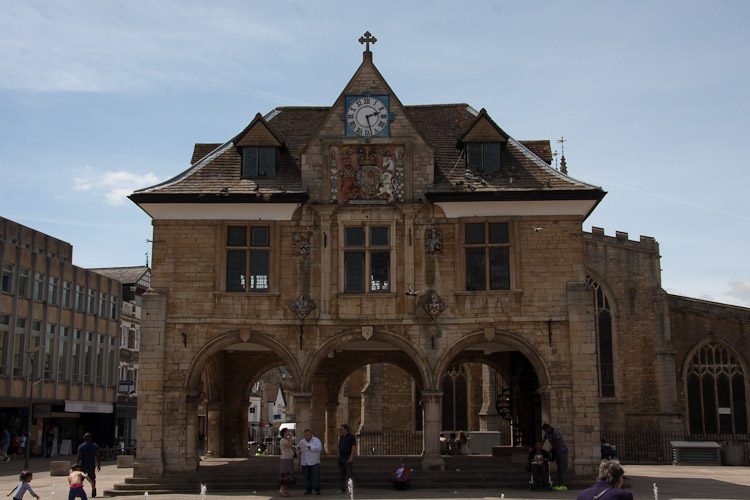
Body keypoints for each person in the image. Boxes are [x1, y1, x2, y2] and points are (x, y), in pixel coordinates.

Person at [542, 423, 568, 491]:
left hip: (562, 451)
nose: (546, 432)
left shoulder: (556, 433)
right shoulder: (547, 434)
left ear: (548, 428)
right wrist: (539, 448)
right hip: (557, 452)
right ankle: (559, 484)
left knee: (563, 468)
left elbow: (557, 444)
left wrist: (549, 451)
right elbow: (543, 441)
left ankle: (564, 485)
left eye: (546, 430)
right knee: (559, 468)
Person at [297, 429, 322, 495]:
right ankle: (308, 490)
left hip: (314, 462)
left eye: (307, 435)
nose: (306, 437)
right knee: (306, 477)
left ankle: (317, 490)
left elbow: (319, 448)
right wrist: (298, 449)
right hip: (305, 462)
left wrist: (310, 447)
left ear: (311, 435)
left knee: (315, 477)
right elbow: (297, 451)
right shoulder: (302, 441)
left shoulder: (316, 440)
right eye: (305, 435)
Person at [76, 433, 101, 498]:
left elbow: (79, 457)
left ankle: (79, 491)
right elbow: (98, 456)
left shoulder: (81, 446)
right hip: (91, 465)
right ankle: (93, 489)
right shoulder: (94, 445)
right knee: (92, 478)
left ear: (84, 438)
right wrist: (99, 464)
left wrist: (76, 465)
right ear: (91, 438)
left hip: (83, 465)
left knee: (80, 479)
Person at [336, 424, 356, 494]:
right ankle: (342, 488)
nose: (340, 431)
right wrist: (338, 456)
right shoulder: (341, 438)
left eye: (341, 429)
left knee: (349, 474)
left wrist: (351, 457)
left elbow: (353, 447)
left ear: (345, 430)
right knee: (342, 474)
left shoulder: (351, 437)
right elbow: (338, 446)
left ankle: (350, 489)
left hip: (347, 457)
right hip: (341, 457)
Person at [278, 428, 296, 497]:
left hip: (289, 458)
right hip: (285, 459)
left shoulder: (286, 440)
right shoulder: (282, 440)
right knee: (285, 475)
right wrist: (291, 437)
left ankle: (285, 490)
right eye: (287, 431)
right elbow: (289, 445)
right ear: (284, 433)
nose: (289, 432)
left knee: (288, 475)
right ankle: (282, 490)